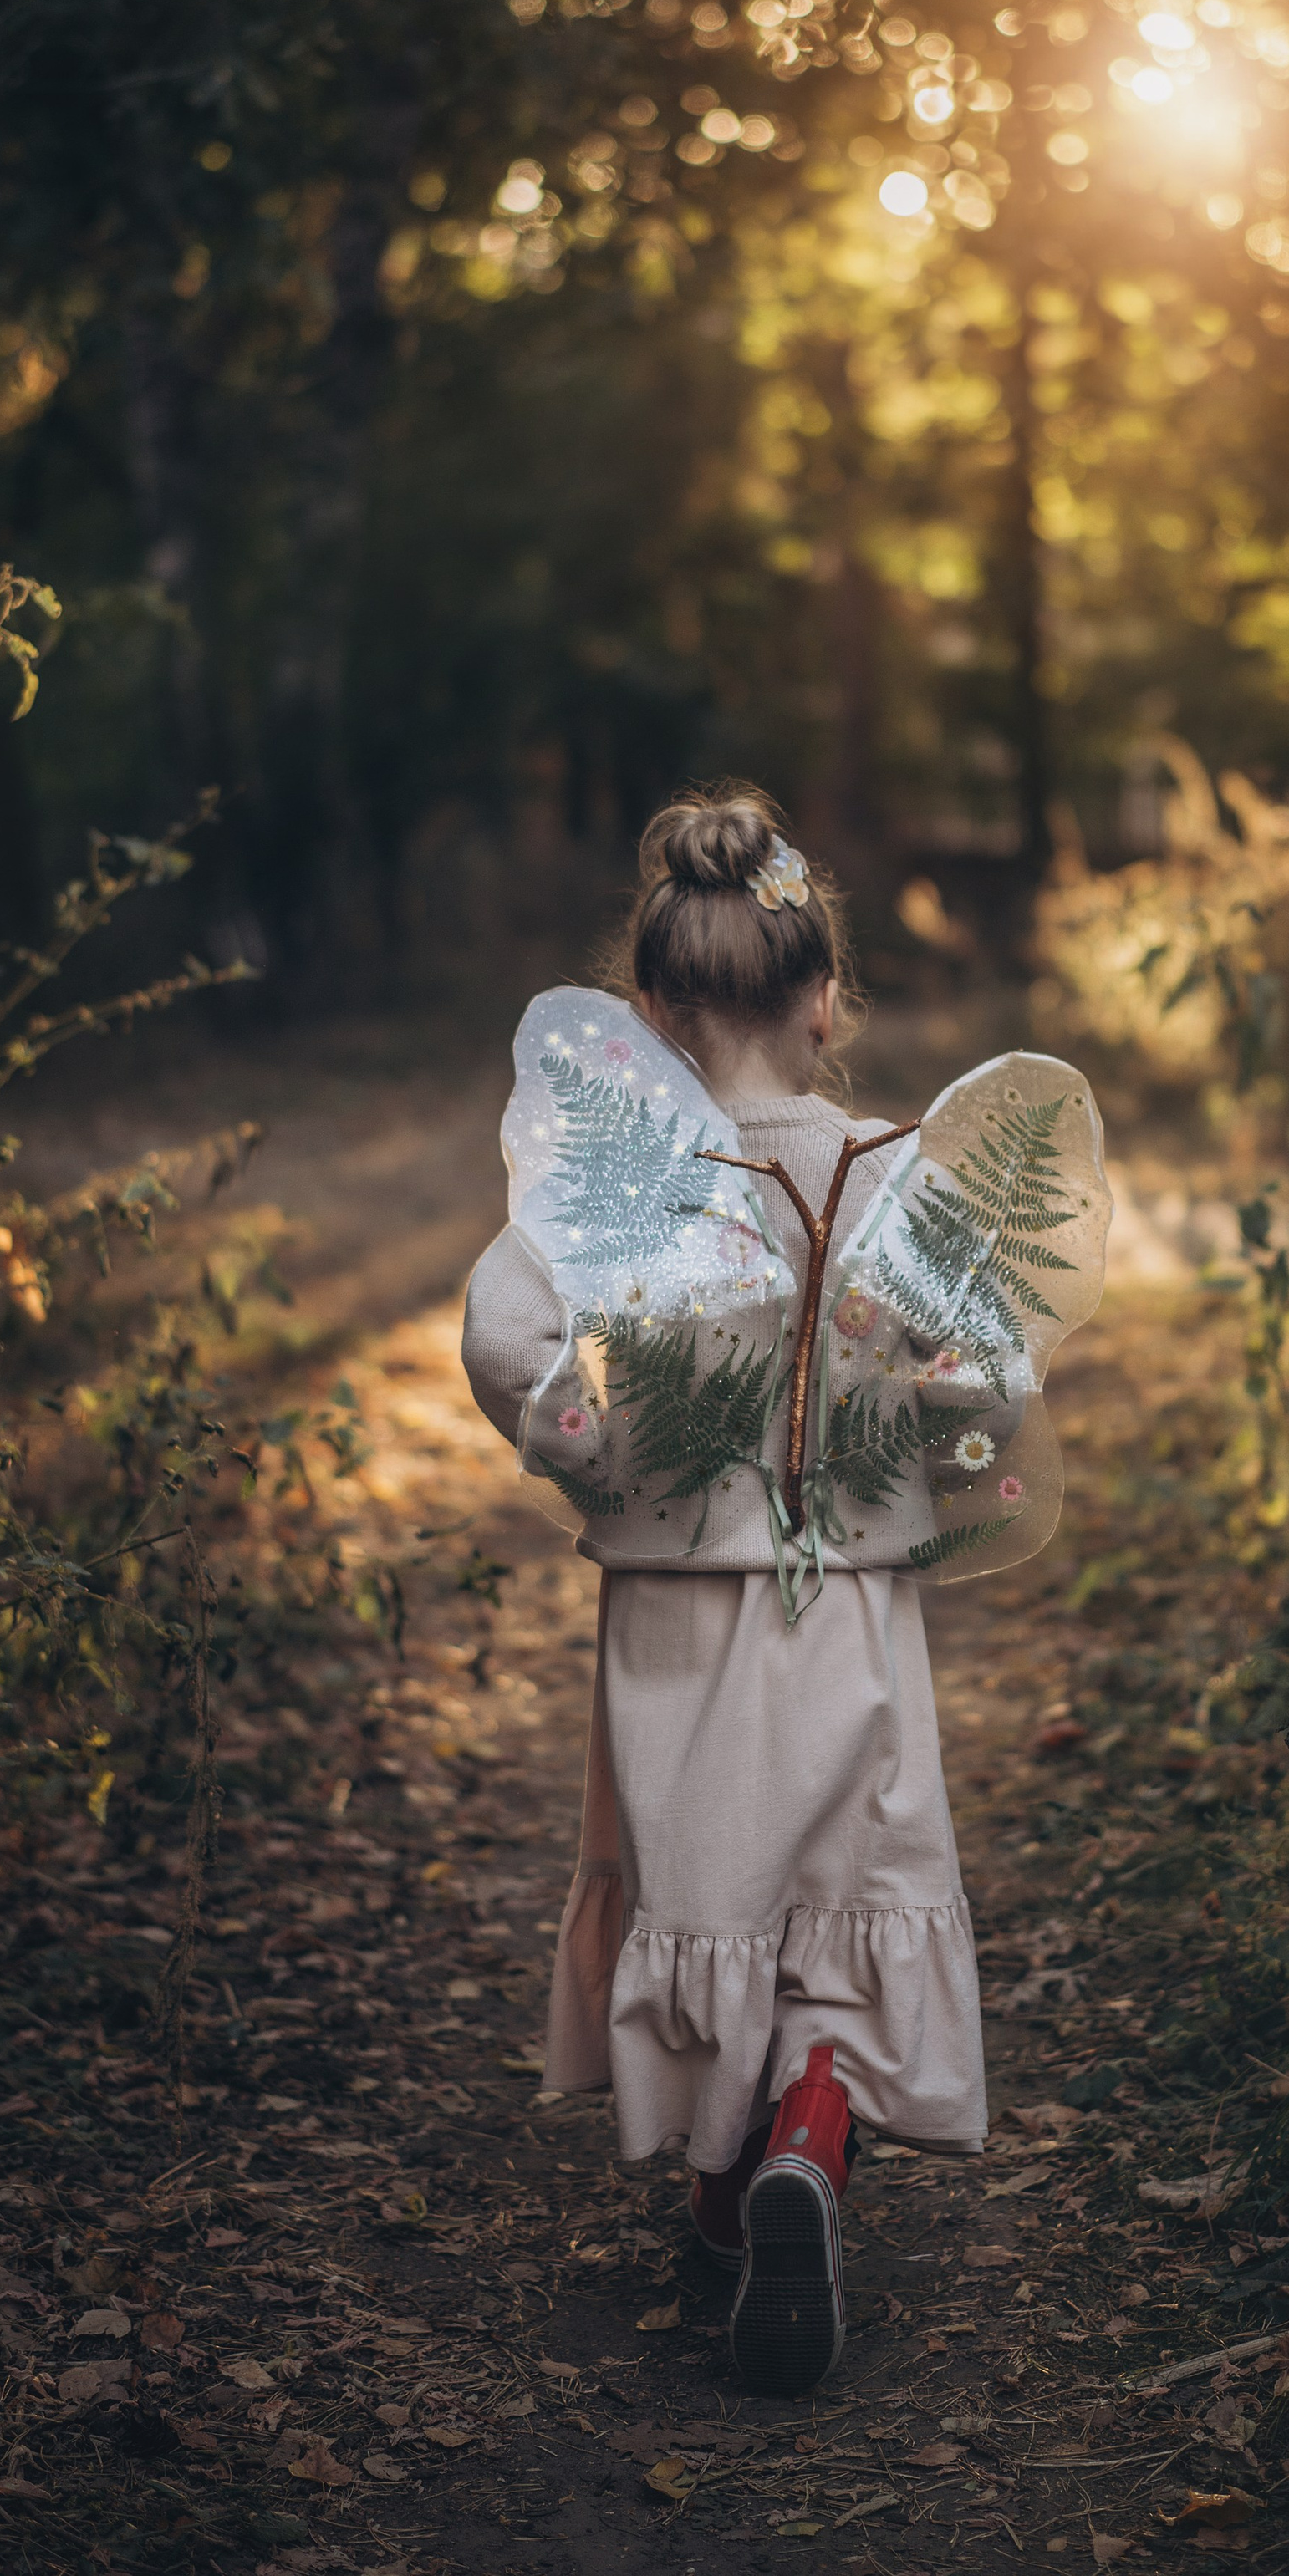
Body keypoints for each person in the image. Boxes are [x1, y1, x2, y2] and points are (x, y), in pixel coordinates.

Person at [461, 784, 1108, 2395]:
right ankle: (811, 2140)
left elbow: (502, 1339)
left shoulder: (617, 1176)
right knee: (841, 1886)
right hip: (858, 1619)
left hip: (677, 1619)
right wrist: (935, 1408)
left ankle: (721, 2187)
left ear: (656, 1015)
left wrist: (582, 1435)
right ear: (827, 1001)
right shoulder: (906, 1177)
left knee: (709, 1891)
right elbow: (992, 1385)